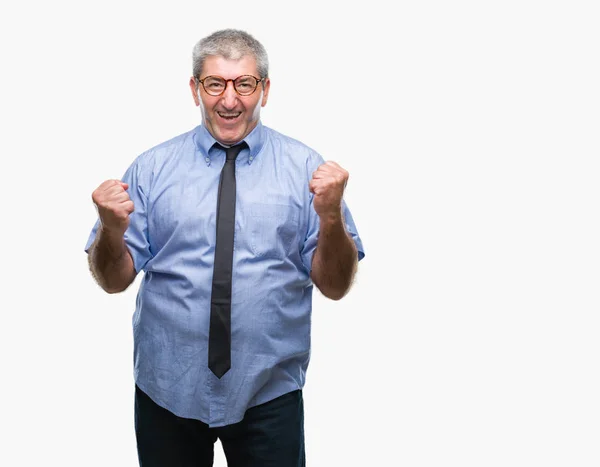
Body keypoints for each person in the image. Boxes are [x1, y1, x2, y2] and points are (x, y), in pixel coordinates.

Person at [85, 28, 365, 466]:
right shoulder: (152, 169)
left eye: (244, 84)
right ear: (195, 88)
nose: (230, 100)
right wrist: (109, 229)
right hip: (168, 389)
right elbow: (113, 280)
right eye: (215, 84)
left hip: (268, 394)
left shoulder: (306, 170)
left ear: (265, 90)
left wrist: (331, 217)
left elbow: (334, 285)